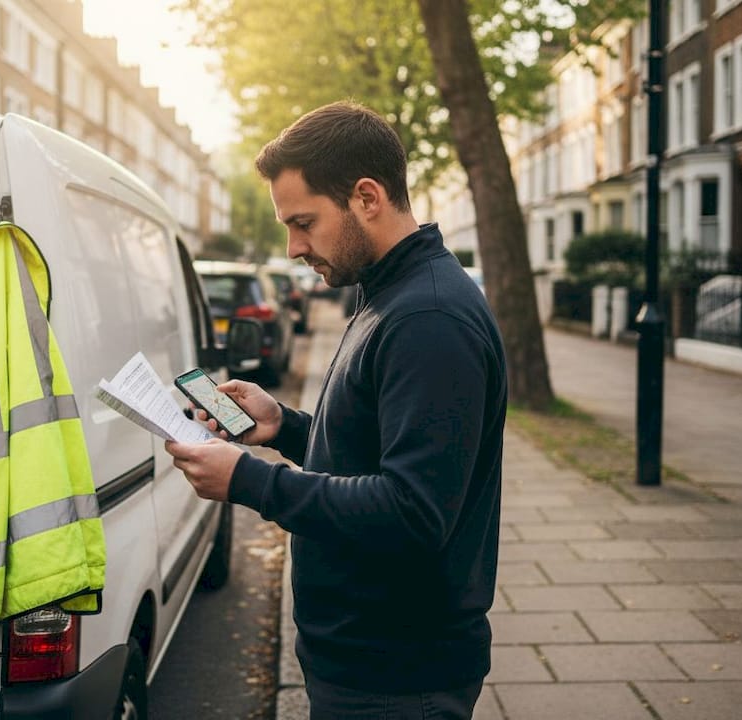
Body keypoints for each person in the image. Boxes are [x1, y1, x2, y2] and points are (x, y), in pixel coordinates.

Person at [165, 101, 506, 719]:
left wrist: (249, 480)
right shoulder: (387, 292)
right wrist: (285, 427)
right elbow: (378, 448)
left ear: (367, 198)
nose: (294, 247)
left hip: (396, 677)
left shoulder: (427, 318)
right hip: (367, 661)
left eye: (304, 222)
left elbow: (413, 512)